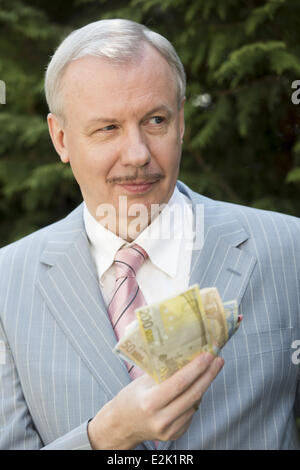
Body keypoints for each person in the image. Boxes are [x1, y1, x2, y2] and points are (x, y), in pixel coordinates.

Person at [0, 18, 299, 451]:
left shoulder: (289, 251)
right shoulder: (5, 284)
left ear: (181, 122)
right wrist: (103, 437)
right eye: (108, 129)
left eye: (155, 120)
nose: (138, 154)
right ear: (61, 139)